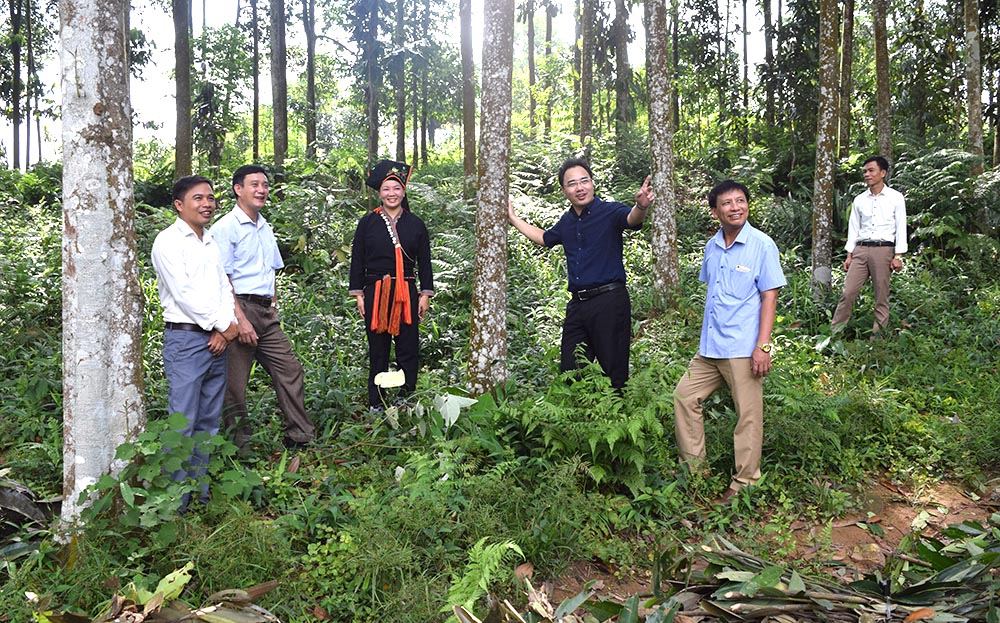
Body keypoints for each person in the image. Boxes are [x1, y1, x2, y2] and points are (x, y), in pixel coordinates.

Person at [673, 180, 786, 505]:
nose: (735, 207)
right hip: (709, 348)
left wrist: (762, 346)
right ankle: (694, 472)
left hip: (742, 348)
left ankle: (744, 484)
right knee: (684, 397)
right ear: (715, 211)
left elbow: (769, 295)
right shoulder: (712, 246)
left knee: (747, 416)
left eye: (740, 201)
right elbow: (714, 292)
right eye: (727, 203)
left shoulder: (762, 245)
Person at [507, 158, 654, 388]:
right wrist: (514, 219)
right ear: (564, 190)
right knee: (571, 368)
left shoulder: (610, 211)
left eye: (584, 181)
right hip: (578, 305)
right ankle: (579, 417)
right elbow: (544, 238)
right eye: (572, 183)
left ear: (593, 183)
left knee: (613, 370)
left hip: (610, 301)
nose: (580, 187)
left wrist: (642, 206)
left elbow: (631, 219)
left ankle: (617, 417)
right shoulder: (567, 221)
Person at [211, 165, 316, 450]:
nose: (261, 190)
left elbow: (271, 271)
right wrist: (240, 320)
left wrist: (273, 303)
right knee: (235, 385)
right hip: (238, 310)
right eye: (254, 184)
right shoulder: (225, 228)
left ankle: (299, 436)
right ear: (238, 189)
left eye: (265, 185)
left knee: (290, 369)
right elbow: (223, 279)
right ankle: (240, 446)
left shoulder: (264, 226)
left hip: (265, 313)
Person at [151, 175, 239, 507]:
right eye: (198, 198)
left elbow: (222, 287)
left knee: (208, 423)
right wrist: (224, 326)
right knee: (183, 422)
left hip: (217, 341)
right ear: (179, 205)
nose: (207, 204)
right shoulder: (168, 242)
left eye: (211, 198)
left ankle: (199, 498)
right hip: (186, 341)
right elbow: (184, 293)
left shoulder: (211, 241)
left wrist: (226, 328)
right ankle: (176, 504)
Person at [349, 159, 434, 410]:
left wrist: (425, 294)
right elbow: (358, 260)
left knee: (408, 346)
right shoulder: (367, 223)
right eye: (386, 189)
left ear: (403, 192)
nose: (391, 194)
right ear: (379, 193)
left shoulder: (416, 224)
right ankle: (377, 401)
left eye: (396, 188)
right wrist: (359, 295)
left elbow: (425, 262)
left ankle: (406, 397)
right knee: (379, 347)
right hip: (376, 290)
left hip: (407, 290)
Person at [831, 156, 907, 334]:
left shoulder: (895, 198)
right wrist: (849, 255)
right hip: (861, 250)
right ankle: (835, 335)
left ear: (883, 173)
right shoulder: (859, 200)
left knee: (881, 296)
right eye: (865, 171)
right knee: (848, 293)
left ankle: (877, 341)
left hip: (884, 250)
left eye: (871, 170)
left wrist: (898, 256)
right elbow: (854, 228)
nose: (867, 174)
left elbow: (901, 226)